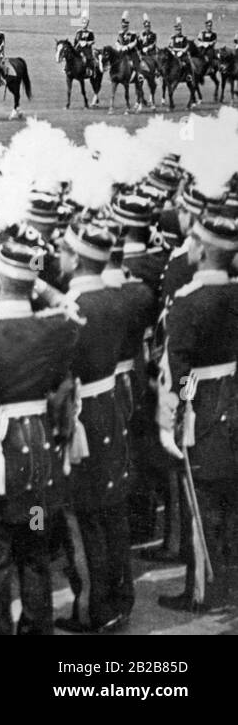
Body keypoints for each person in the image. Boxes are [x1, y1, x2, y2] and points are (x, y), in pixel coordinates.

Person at [0, 229, 79, 635]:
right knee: (36, 551)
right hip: (39, 464)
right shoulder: (55, 328)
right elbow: (73, 312)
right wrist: (40, 286)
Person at [53, 221, 136, 633]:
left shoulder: (70, 309)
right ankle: (122, 597)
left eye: (64, 252)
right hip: (111, 404)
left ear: (74, 258)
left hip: (81, 414)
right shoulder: (118, 299)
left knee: (80, 514)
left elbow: (59, 375)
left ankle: (91, 608)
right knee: (111, 506)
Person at [156, 213, 238, 613]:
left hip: (204, 404)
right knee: (228, 496)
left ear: (203, 249)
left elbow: (181, 372)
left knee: (200, 500)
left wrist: (181, 406)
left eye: (192, 240)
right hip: (233, 398)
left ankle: (204, 590)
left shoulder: (188, 302)